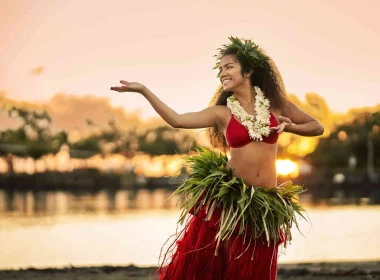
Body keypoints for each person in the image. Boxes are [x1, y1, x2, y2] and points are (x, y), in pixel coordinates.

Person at [110, 37, 324, 280]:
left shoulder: (276, 106)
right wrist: (144, 91)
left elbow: (317, 127)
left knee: (258, 271)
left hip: (265, 203)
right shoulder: (222, 113)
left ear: (249, 71)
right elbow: (177, 120)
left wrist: (290, 126)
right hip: (230, 203)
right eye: (220, 69)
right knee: (225, 270)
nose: (222, 73)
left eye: (229, 67)